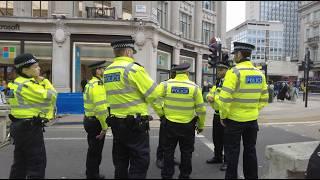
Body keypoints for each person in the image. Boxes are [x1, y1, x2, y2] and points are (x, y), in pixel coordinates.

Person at [103, 39, 159, 179]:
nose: (133, 55)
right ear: (128, 51)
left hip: (116, 123)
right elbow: (154, 94)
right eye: (132, 52)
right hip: (135, 125)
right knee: (139, 161)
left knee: (120, 160)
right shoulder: (133, 69)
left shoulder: (108, 71)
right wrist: (162, 113)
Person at [217, 42, 268, 179]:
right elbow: (264, 98)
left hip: (234, 120)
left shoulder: (234, 72)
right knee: (250, 151)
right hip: (252, 120)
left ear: (239, 54)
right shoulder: (259, 73)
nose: (234, 57)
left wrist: (223, 116)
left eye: (235, 54)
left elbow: (225, 98)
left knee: (232, 153)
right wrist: (253, 110)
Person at [7, 53, 57, 179]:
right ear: (24, 69)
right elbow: (52, 96)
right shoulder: (27, 85)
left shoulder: (14, 84)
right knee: (37, 163)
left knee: (20, 163)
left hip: (18, 126)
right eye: (35, 66)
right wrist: (45, 81)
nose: (39, 69)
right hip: (29, 128)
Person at [153, 63, 206, 179]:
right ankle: (184, 175)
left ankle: (167, 175)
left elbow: (153, 99)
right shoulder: (195, 87)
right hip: (187, 125)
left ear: (175, 73)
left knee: (168, 151)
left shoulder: (165, 85)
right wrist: (201, 125)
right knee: (186, 152)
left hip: (169, 124)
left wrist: (161, 114)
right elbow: (201, 109)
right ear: (187, 73)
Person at [83, 61, 109, 179]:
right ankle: (93, 175)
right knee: (95, 151)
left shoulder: (90, 84)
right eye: (103, 69)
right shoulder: (98, 85)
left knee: (93, 149)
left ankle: (91, 173)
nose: (104, 71)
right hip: (96, 122)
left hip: (89, 119)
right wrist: (104, 127)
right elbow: (101, 108)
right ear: (97, 70)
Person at [206, 62, 229, 171]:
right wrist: (209, 97)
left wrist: (214, 99)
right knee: (217, 138)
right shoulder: (218, 83)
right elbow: (211, 92)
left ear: (226, 71)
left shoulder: (229, 83)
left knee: (226, 140)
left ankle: (227, 161)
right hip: (216, 114)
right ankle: (218, 157)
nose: (218, 72)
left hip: (226, 116)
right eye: (218, 70)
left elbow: (227, 99)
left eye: (221, 70)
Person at [156, 64, 180, 169]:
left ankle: (170, 158)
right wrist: (161, 113)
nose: (174, 74)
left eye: (176, 72)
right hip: (166, 117)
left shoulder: (181, 84)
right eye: (173, 72)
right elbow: (156, 98)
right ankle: (160, 158)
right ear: (171, 73)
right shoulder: (165, 84)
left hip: (177, 117)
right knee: (163, 140)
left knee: (172, 141)